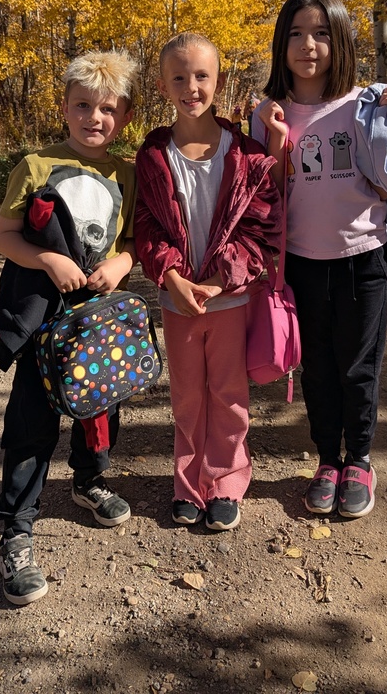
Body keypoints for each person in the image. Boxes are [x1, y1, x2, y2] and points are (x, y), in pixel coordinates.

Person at [252, 0, 387, 520]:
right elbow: (270, 192)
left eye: (320, 33)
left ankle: (358, 460)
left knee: (358, 366)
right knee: (317, 367)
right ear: (280, 44)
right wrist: (274, 136)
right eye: (295, 33)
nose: (307, 45)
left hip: (363, 259)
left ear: (339, 41)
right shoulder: (268, 112)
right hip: (302, 265)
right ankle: (327, 461)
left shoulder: (365, 105)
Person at [0, 50, 139, 605]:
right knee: (31, 419)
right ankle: (17, 529)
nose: (94, 118)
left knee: (100, 405)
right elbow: (5, 237)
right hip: (41, 320)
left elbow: (131, 243)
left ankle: (89, 481)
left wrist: (121, 265)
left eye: (107, 109)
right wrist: (48, 260)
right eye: (83, 106)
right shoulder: (35, 166)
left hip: (97, 321)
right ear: (64, 108)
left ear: (123, 116)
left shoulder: (126, 172)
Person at [135, 32, 282, 532]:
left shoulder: (242, 153)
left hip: (229, 299)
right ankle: (188, 485)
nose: (191, 86)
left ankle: (226, 481)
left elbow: (261, 223)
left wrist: (222, 281)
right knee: (188, 396)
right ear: (162, 85)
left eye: (201, 75)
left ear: (218, 81)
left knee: (227, 393)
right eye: (179, 77)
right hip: (177, 301)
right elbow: (148, 226)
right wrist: (172, 277)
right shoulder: (154, 153)